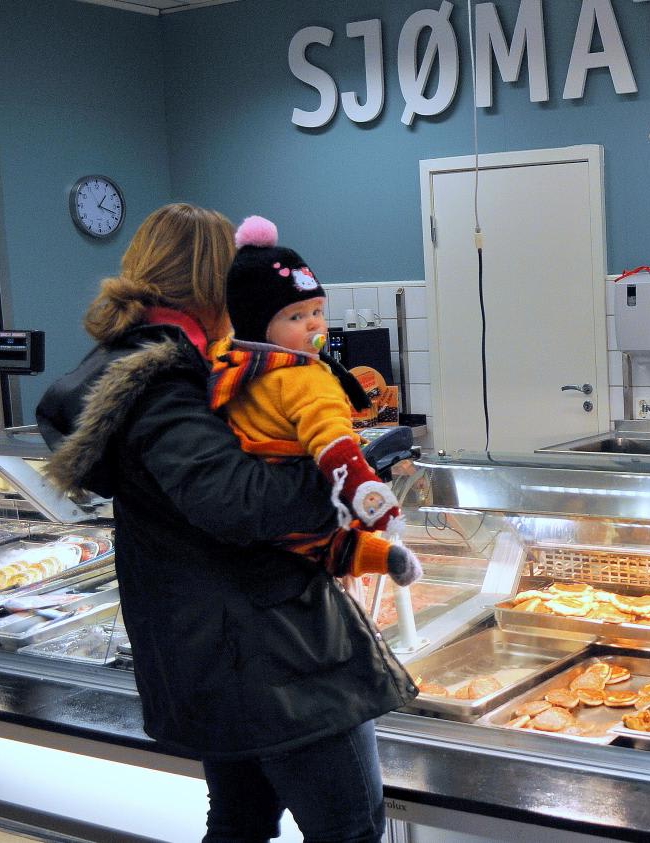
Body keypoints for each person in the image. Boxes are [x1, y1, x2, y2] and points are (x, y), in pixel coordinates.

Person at [35, 203, 416, 842]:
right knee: (349, 830)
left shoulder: (149, 367)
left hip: (213, 651)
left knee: (240, 822)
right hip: (273, 658)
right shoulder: (165, 381)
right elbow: (239, 503)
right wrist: (352, 472)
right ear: (216, 283)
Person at [209, 215, 421, 588]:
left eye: (317, 312)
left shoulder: (230, 359)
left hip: (250, 508)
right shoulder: (307, 379)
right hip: (299, 492)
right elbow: (334, 447)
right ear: (259, 325)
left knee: (320, 547)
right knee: (332, 540)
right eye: (296, 316)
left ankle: (381, 556)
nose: (314, 324)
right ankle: (382, 555)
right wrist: (373, 499)